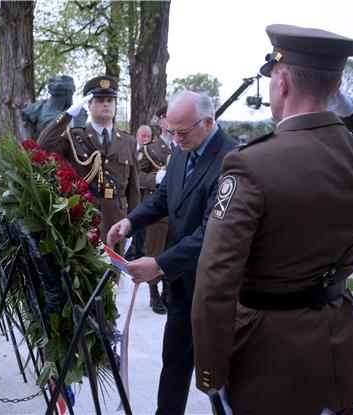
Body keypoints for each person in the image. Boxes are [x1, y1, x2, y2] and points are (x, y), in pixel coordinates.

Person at [191, 24, 353, 415]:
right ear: (337, 88)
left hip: (269, 365)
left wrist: (212, 375)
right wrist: (345, 105)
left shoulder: (250, 164)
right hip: (339, 354)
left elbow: (215, 283)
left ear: (281, 82)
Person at [107, 91, 239, 414]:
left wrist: (160, 264)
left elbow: (210, 233)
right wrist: (129, 221)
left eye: (182, 132)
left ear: (208, 123)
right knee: (174, 365)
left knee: (220, 380)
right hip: (182, 285)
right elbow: (163, 199)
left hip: (216, 292)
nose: (175, 138)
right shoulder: (181, 151)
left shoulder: (233, 159)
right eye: (171, 132)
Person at [37, 75, 140, 252]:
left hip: (117, 218)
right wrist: (67, 116)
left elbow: (134, 189)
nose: (106, 104)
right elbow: (43, 146)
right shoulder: (74, 137)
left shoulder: (128, 141)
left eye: (110, 100)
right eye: (100, 100)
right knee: (86, 275)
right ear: (89, 105)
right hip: (84, 216)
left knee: (113, 275)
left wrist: (133, 225)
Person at [138, 107, 175, 314]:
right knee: (155, 250)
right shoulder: (150, 149)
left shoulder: (183, 146)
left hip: (177, 209)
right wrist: (155, 179)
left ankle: (167, 290)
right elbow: (138, 177)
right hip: (158, 208)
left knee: (172, 249)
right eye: (167, 117)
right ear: (161, 122)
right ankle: (153, 293)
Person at [125, 125, 152, 262]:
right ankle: (129, 255)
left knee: (141, 231)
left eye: (149, 136)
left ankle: (138, 255)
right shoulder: (129, 148)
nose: (146, 139)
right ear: (137, 135)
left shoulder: (150, 152)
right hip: (127, 196)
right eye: (143, 136)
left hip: (143, 197)